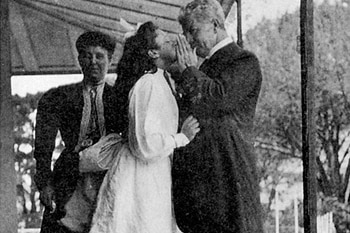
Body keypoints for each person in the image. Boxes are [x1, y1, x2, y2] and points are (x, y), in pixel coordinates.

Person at [88, 21, 199, 233]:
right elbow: (144, 143)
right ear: (152, 52)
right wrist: (181, 137)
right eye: (166, 40)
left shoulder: (162, 79)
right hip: (141, 176)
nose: (174, 41)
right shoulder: (147, 83)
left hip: (153, 172)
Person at [172, 0, 264, 232]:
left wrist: (189, 72)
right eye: (186, 33)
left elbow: (219, 98)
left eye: (193, 31)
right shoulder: (202, 69)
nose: (189, 40)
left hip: (230, 178)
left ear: (215, 24)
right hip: (207, 186)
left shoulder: (244, 61)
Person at [34, 31, 119, 233]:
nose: (93, 62)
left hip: (110, 178)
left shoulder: (120, 98)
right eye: (87, 56)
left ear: (110, 59)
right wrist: (45, 183)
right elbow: (43, 146)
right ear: (79, 59)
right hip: (70, 177)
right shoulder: (58, 97)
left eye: (99, 56)